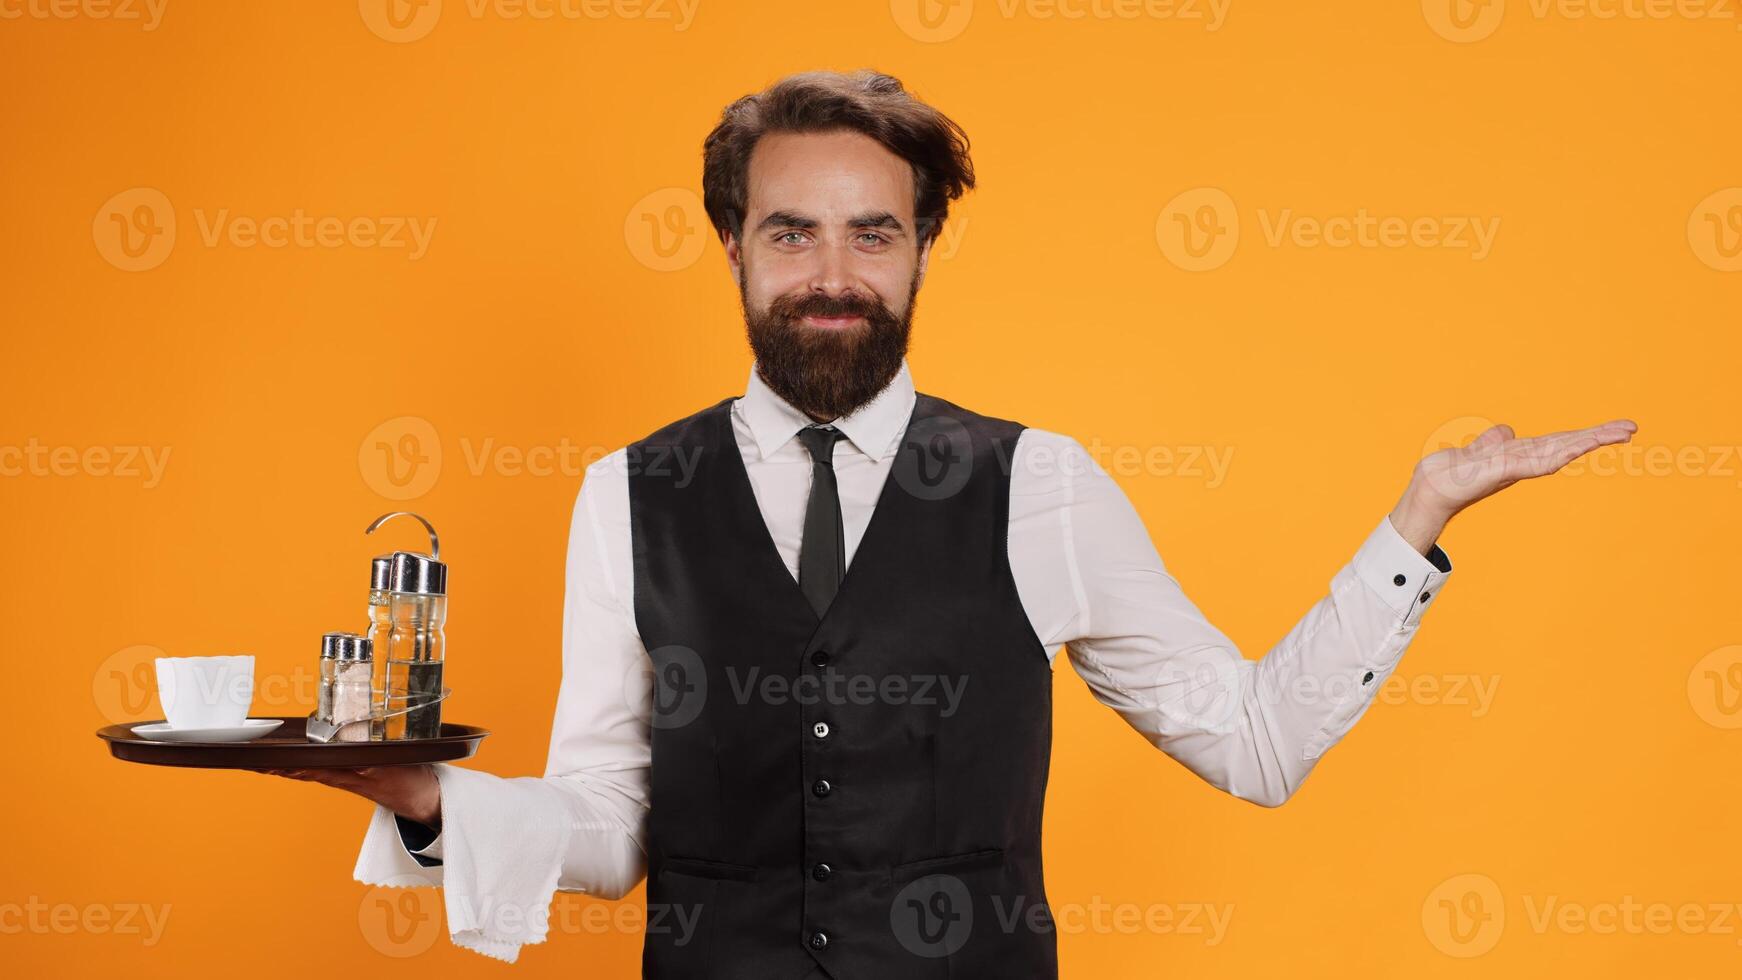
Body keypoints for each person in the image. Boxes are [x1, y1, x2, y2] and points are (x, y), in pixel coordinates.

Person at [265, 69, 1636, 975]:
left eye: (874, 232)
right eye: (791, 232)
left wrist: (1417, 522)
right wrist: (435, 804)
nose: (833, 274)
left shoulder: (1038, 485)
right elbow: (615, 830)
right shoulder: (628, 495)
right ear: (730, 244)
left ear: (925, 246)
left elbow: (1255, 744)